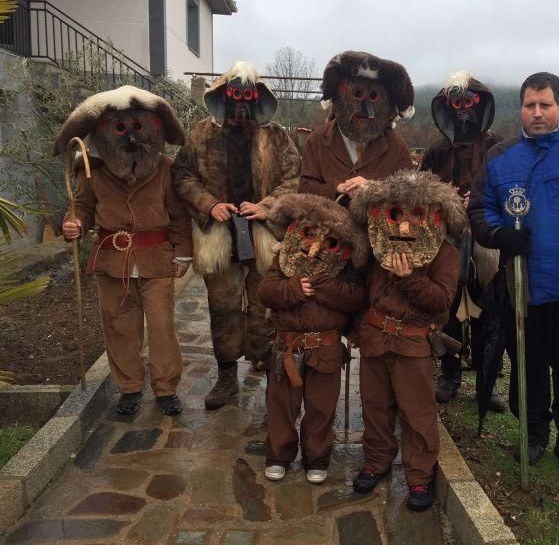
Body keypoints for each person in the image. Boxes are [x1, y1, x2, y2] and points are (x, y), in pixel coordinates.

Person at [468, 72, 559, 479]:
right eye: (530, 105)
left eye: (545, 105)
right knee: (527, 368)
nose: (537, 113)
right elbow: (479, 210)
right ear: (521, 108)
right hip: (522, 288)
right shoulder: (500, 157)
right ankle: (533, 432)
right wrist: (498, 234)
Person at [56, 86, 192, 416]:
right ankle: (129, 387)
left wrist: (183, 254)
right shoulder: (92, 171)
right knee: (120, 326)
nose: (130, 138)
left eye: (137, 128)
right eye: (120, 129)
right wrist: (73, 222)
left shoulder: (165, 169)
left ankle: (165, 388)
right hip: (111, 261)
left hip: (156, 259)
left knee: (161, 328)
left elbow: (178, 214)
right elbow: (84, 208)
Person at [172, 61, 300, 410]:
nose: (242, 103)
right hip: (218, 234)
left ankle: (267, 367)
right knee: (224, 307)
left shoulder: (277, 137)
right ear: (224, 97)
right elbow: (182, 175)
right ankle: (227, 378)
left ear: (256, 98)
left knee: (265, 303)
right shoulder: (201, 134)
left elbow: (292, 178)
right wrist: (210, 204)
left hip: (262, 232)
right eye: (235, 95)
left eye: (248, 95)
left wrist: (269, 206)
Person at [349, 170, 465, 511]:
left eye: (416, 214)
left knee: (417, 413)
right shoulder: (377, 244)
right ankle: (377, 461)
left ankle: (419, 477)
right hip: (374, 338)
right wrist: (353, 327)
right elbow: (362, 291)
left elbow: (441, 301)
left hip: (413, 342)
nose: (405, 225)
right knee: (375, 406)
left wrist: (409, 279)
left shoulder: (445, 255)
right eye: (398, 213)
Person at [258, 193, 368, 484]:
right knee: (281, 405)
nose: (317, 248)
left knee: (321, 407)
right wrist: (293, 288)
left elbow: (356, 299)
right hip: (286, 348)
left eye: (329, 243)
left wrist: (322, 286)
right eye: (310, 236)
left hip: (326, 349)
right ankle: (278, 455)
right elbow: (266, 292)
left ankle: (316, 457)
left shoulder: (345, 272)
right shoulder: (284, 262)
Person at [421, 71, 504, 410]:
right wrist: (448, 200)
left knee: (490, 303)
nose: (463, 109)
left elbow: (511, 189)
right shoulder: (437, 151)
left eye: (468, 102)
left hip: (487, 233)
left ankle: (489, 377)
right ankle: (450, 373)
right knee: (448, 305)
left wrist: (483, 200)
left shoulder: (497, 146)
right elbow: (422, 192)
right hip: (447, 236)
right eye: (457, 103)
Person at [298, 51, 415, 205]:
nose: (365, 105)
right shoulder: (317, 139)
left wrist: (374, 188)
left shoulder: (396, 146)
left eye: (374, 96)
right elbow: (304, 187)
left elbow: (412, 193)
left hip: (377, 227)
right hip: (328, 225)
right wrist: (335, 189)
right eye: (357, 92)